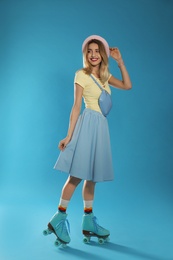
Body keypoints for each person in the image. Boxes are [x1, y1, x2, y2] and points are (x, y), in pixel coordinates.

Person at [44, 35, 132, 246]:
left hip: (101, 126)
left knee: (91, 177)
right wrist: (69, 135)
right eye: (89, 51)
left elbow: (127, 86)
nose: (93, 55)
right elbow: (76, 107)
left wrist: (120, 61)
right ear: (86, 55)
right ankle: (59, 217)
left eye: (97, 51)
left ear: (103, 55)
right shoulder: (81, 75)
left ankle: (88, 221)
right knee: (76, 176)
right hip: (88, 124)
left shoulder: (105, 75)